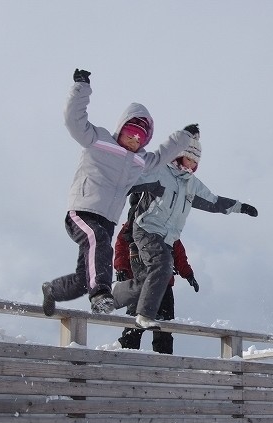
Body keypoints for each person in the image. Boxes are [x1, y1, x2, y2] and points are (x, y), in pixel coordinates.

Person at [41, 68, 197, 317]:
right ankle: (101, 296)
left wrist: (184, 136)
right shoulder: (98, 139)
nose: (134, 141)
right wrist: (81, 87)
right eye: (130, 133)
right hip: (83, 210)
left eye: (140, 138)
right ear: (121, 128)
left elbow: (163, 155)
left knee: (86, 277)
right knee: (98, 240)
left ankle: (53, 290)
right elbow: (74, 120)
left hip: (108, 219)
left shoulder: (141, 160)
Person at [111, 132, 258, 330]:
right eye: (188, 159)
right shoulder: (161, 172)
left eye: (194, 163)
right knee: (162, 266)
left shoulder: (192, 185)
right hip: (146, 229)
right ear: (178, 156)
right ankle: (144, 315)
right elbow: (134, 180)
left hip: (167, 238)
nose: (190, 166)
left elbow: (213, 201)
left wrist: (241, 207)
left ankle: (114, 297)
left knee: (151, 278)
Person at [113, 196, 199, 353]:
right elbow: (121, 247)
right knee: (136, 320)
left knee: (164, 324)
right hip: (141, 282)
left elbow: (178, 250)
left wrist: (188, 274)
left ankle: (164, 358)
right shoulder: (131, 226)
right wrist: (121, 268)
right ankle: (127, 353)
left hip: (164, 283)